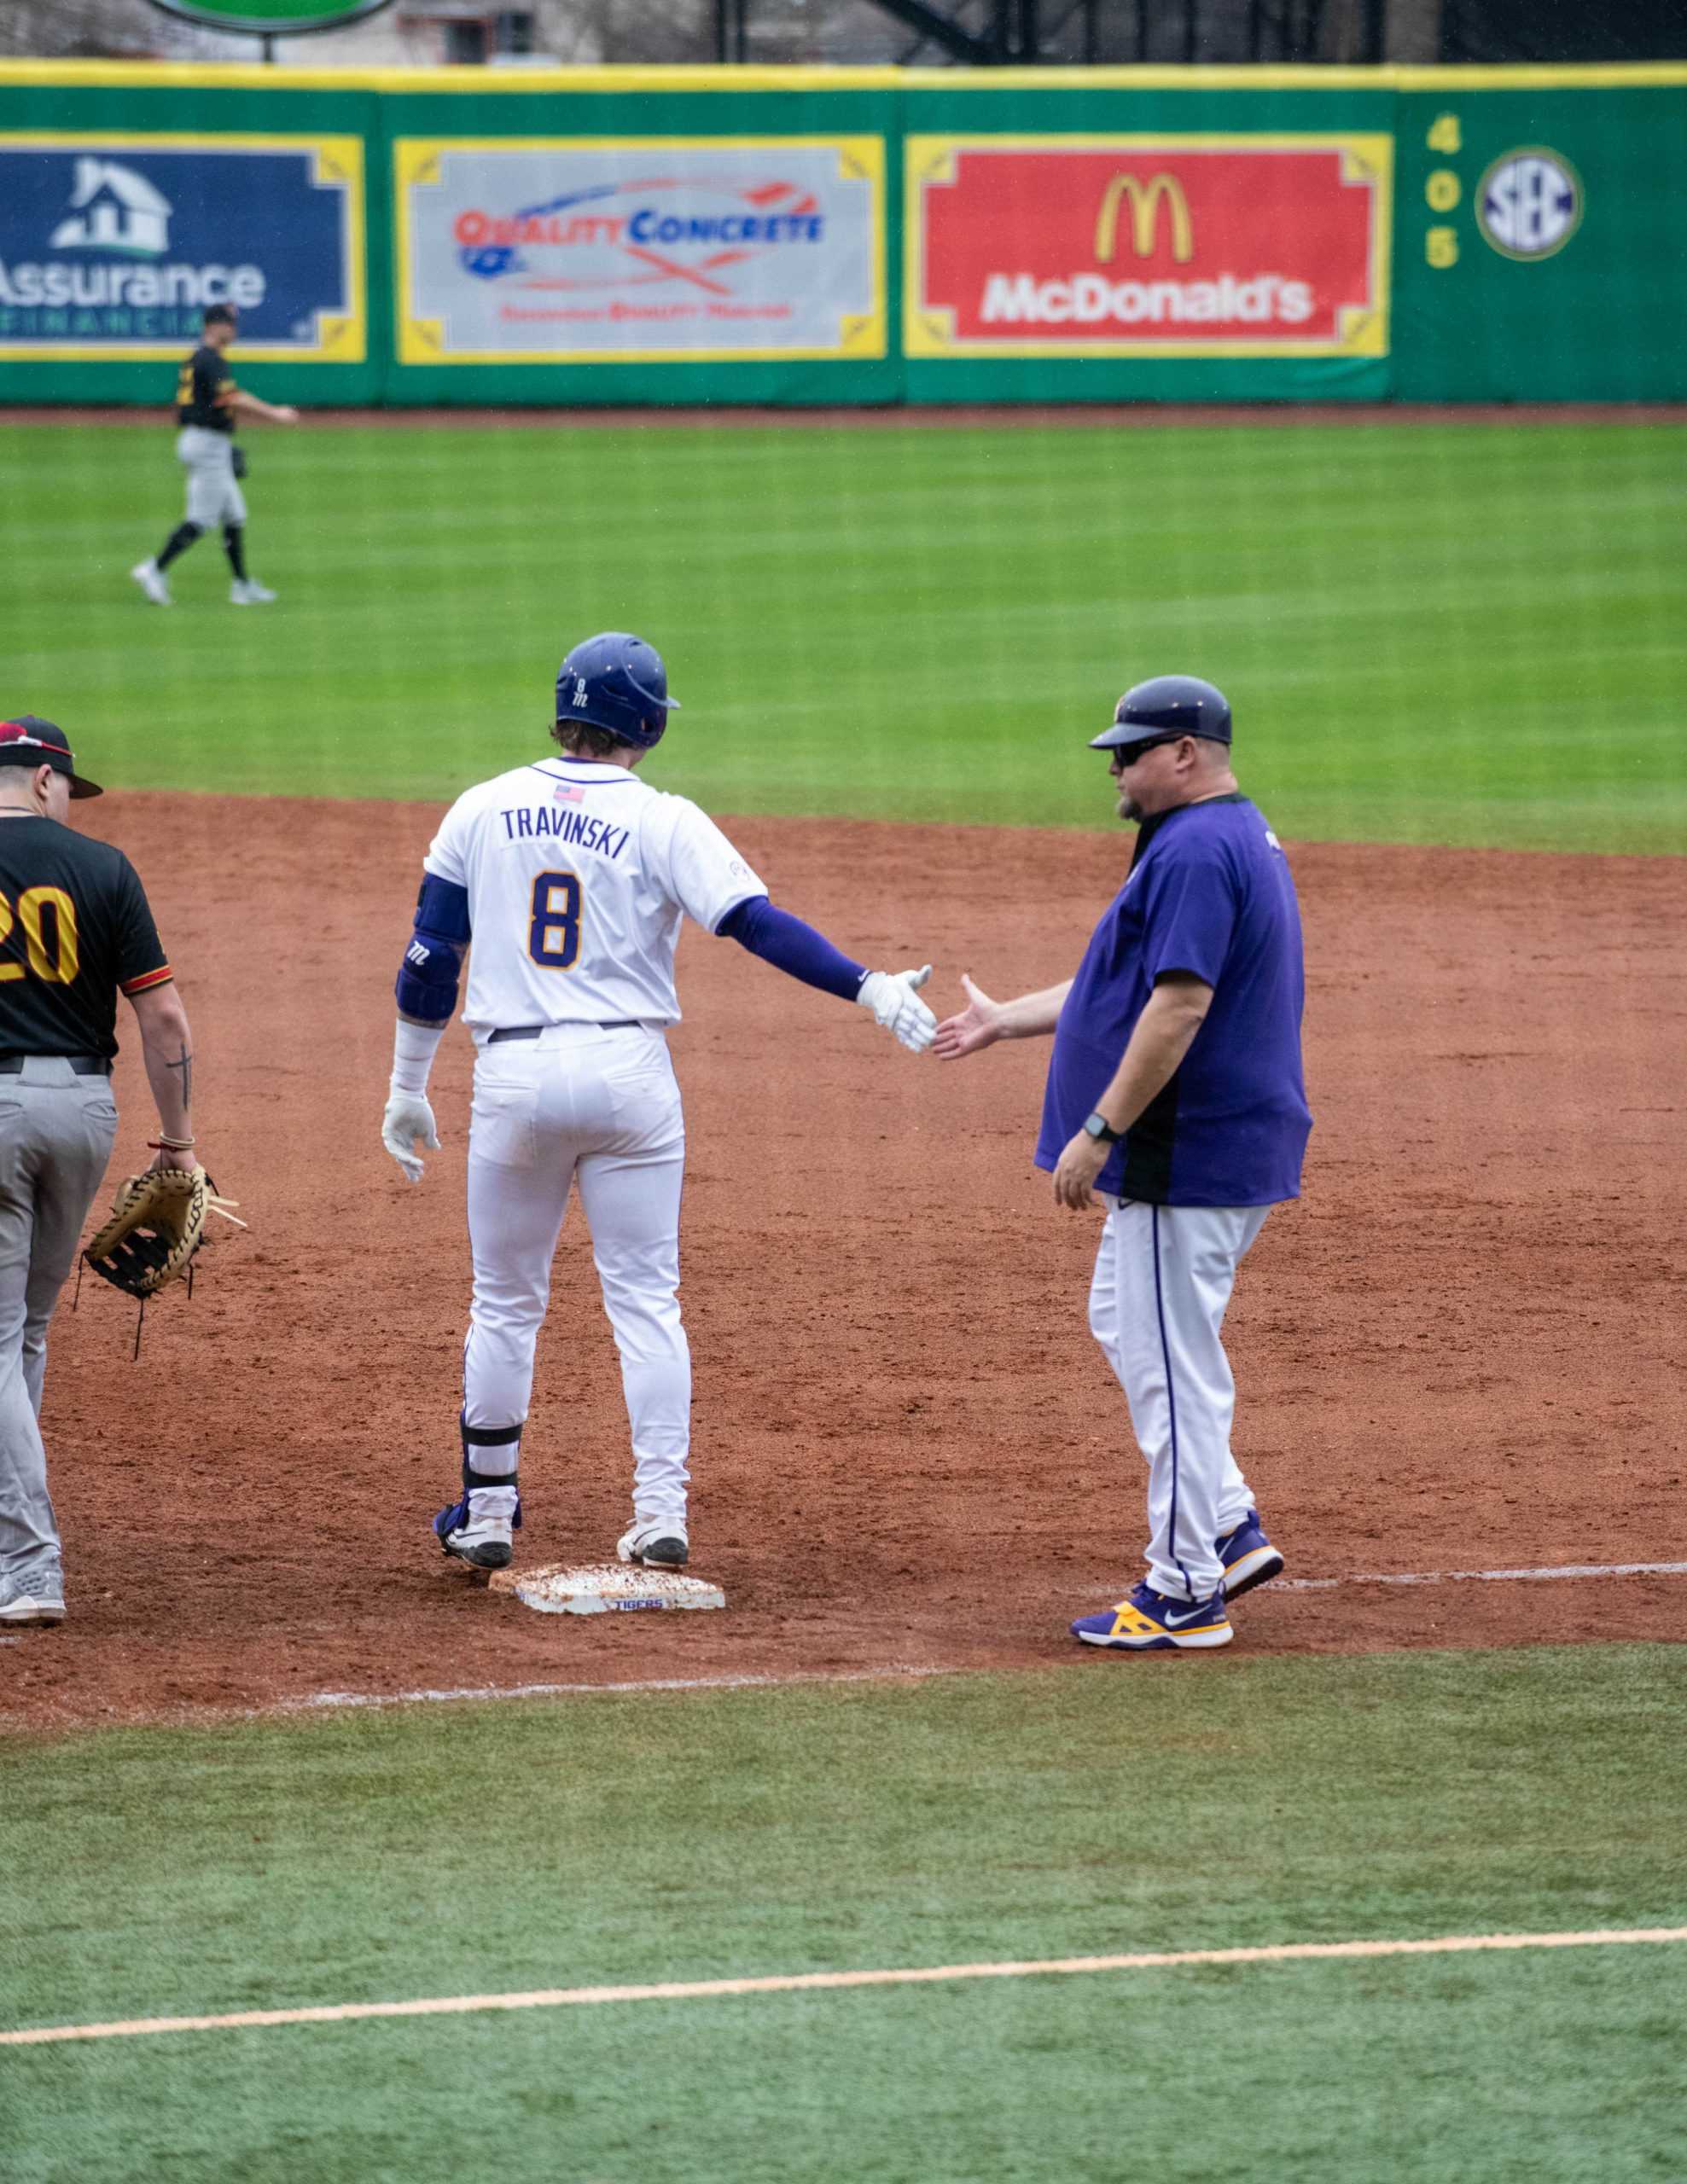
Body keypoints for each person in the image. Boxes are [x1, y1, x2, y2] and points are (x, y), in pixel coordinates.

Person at [381, 631, 937, 1577]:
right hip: (630, 1076)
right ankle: (658, 1510)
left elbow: (432, 959)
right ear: (647, 724)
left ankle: (486, 1511)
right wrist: (870, 987)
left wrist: (405, 1085)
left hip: (512, 1078)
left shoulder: (479, 806)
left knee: (505, 1302)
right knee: (646, 1299)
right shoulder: (665, 818)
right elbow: (756, 924)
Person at [934, 674, 1311, 1653]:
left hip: (1184, 1153)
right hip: (1219, 1143)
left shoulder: (1193, 850)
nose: (1115, 768)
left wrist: (1100, 1128)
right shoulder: (1225, 835)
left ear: (1185, 753)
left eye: (1130, 752)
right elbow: (1130, 980)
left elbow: (1178, 1005)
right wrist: (1008, 1018)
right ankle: (1225, 1522)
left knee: (1179, 1365)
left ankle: (1185, 1589)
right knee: (1124, 1318)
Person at [0, 716, 200, 1626]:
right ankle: (13, 1528)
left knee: (3, 1337)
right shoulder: (105, 869)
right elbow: (164, 1024)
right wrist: (180, 1140)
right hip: (82, 1113)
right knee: (26, 1330)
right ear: (42, 778)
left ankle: (31, 1564)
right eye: (66, 791)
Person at [130, 302, 298, 608]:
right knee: (202, 519)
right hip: (206, 444)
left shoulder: (200, 357)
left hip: (204, 441)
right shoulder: (209, 359)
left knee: (234, 515)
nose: (234, 330)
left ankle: (241, 585)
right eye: (228, 324)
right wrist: (275, 413)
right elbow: (232, 397)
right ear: (212, 326)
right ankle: (154, 570)